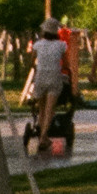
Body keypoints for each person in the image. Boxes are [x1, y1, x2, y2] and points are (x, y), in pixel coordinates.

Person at [30, 16, 68, 149]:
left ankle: (43, 136)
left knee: (41, 109)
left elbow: (32, 61)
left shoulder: (38, 45)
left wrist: (37, 67)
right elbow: (66, 64)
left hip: (40, 77)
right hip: (54, 77)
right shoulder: (61, 45)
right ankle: (43, 137)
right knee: (49, 109)